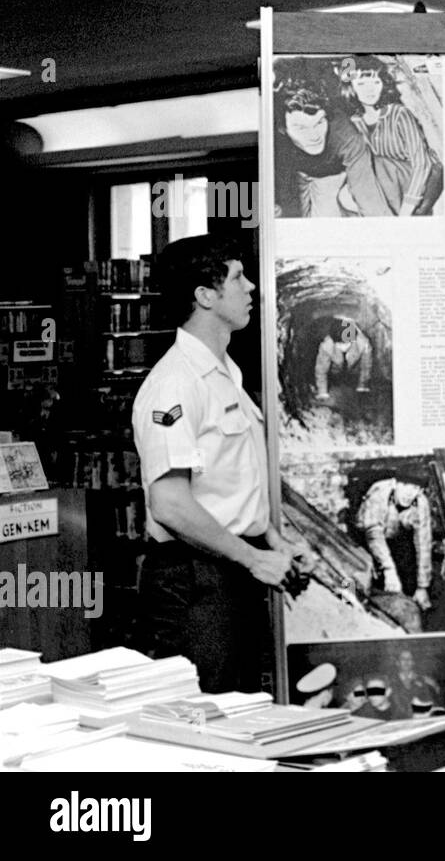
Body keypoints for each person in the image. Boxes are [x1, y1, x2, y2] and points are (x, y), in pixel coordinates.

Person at [132, 235, 309, 693]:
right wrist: (253, 557)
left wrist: (272, 541)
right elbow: (170, 504)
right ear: (205, 296)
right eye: (237, 277)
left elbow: (232, 482)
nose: (251, 287)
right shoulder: (174, 384)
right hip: (194, 580)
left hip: (233, 571)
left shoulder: (226, 374)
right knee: (205, 724)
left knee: (243, 711)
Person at [272, 68, 392, 219]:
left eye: (319, 122)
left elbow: (370, 201)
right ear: (282, 128)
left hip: (328, 176)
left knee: (322, 227)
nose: (314, 135)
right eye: (301, 127)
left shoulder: (347, 137)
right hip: (290, 175)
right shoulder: (272, 134)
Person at [340, 55, 442, 216]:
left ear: (383, 84)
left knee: (377, 163)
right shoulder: (354, 122)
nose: (370, 89)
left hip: (414, 185)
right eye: (361, 84)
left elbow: (422, 164)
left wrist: (406, 210)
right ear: (351, 88)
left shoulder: (399, 113)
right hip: (380, 190)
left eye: (375, 82)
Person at [357, 478, 442, 611]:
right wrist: (389, 570)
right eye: (407, 485)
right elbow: (374, 535)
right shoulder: (379, 492)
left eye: (416, 488)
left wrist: (422, 587)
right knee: (356, 580)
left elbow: (424, 544)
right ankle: (350, 605)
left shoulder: (420, 501)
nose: (411, 492)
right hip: (364, 542)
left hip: (394, 544)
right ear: (397, 483)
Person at [313, 315, 373, 400]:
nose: (343, 347)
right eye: (339, 344)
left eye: (346, 343)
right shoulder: (326, 346)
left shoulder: (363, 343)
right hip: (334, 374)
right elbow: (321, 370)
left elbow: (366, 367)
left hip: (353, 373)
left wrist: (362, 387)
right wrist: (322, 392)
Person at [390, 648, 443, 719]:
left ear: (413, 662)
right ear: (397, 662)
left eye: (410, 659)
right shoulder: (390, 681)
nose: (406, 661)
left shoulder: (424, 681)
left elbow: (433, 701)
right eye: (403, 659)